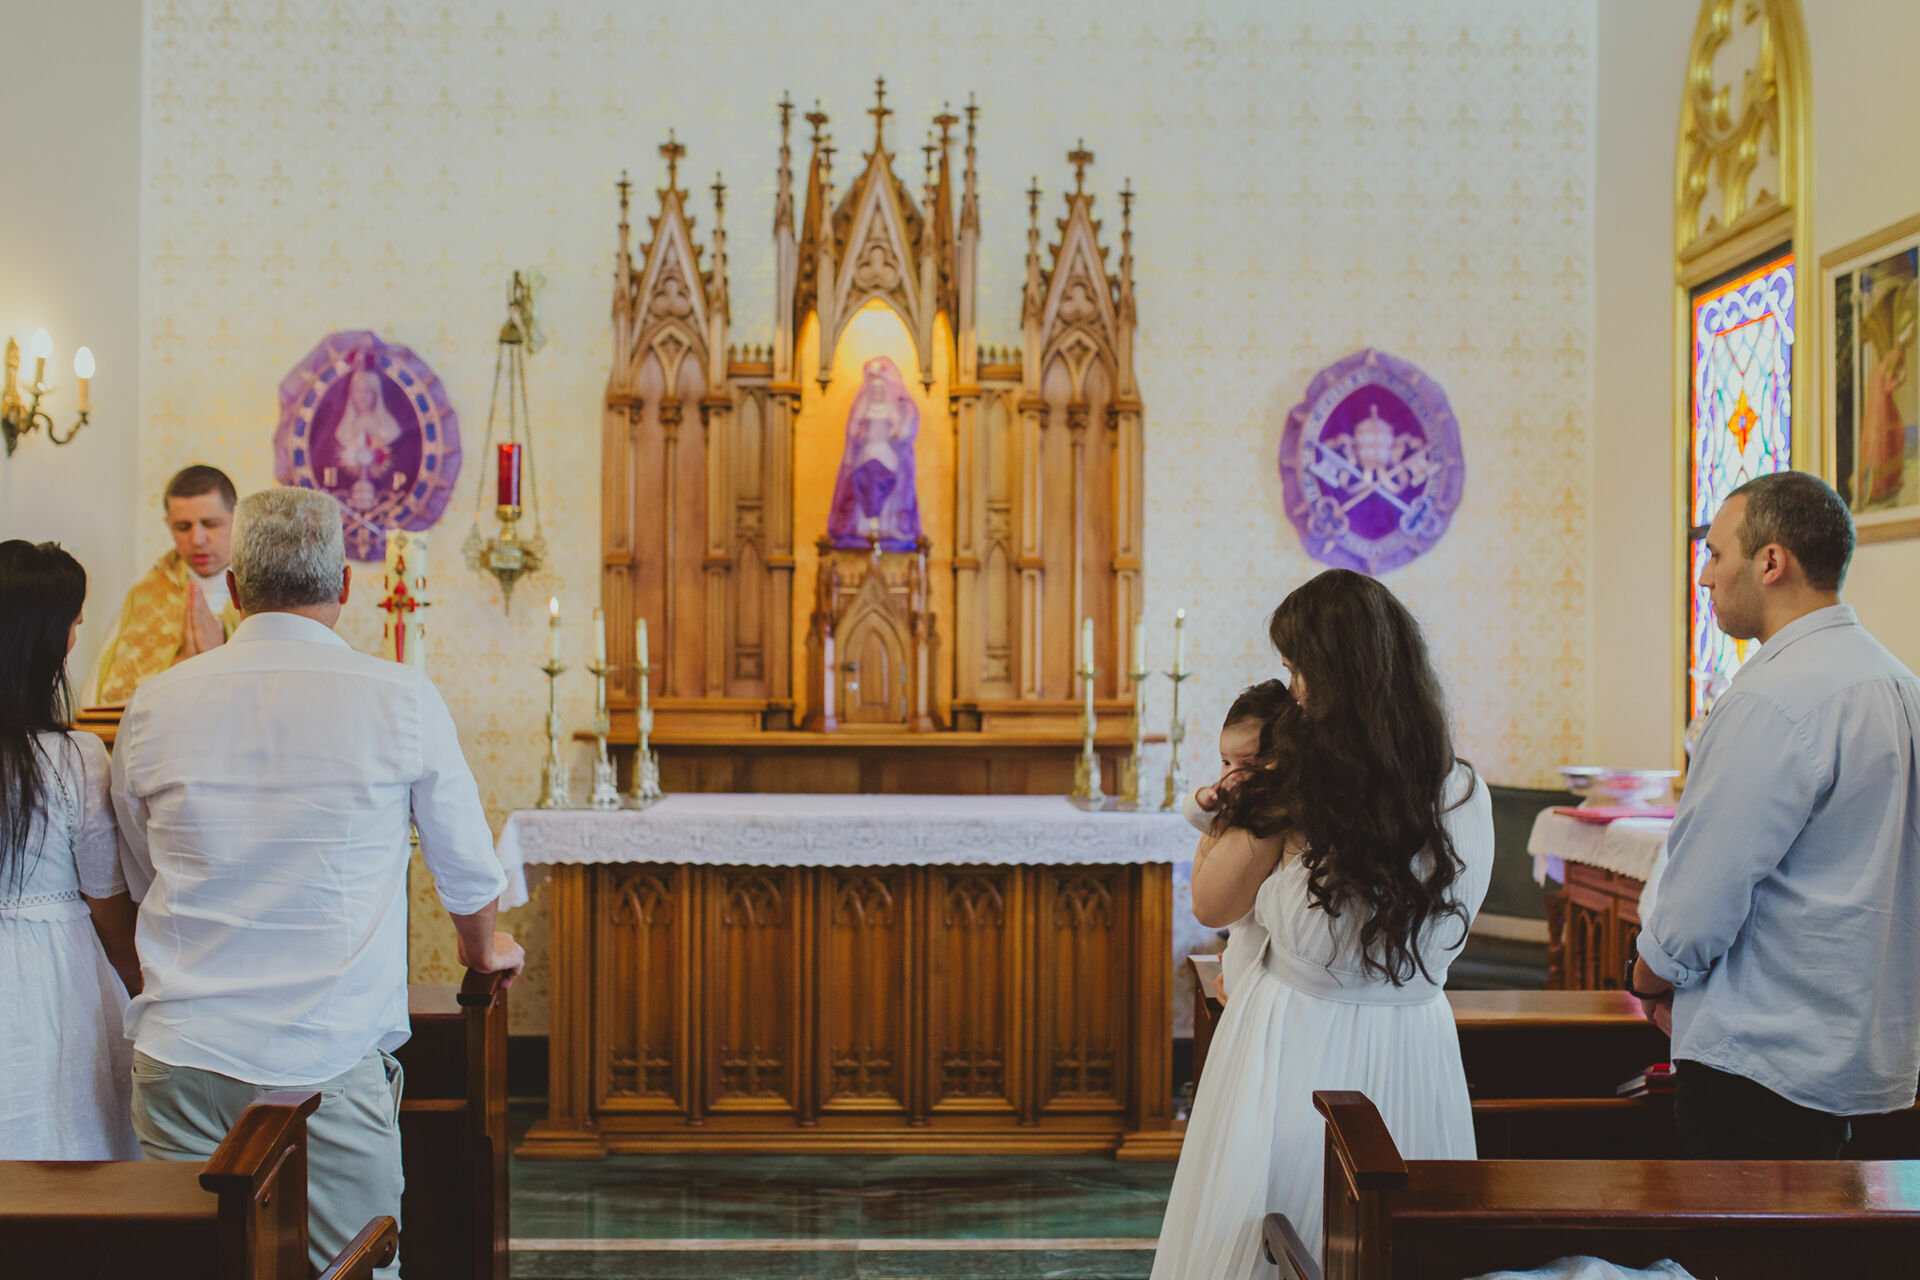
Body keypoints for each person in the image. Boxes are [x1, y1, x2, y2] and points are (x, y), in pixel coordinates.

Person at [110, 488, 524, 1279]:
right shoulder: (400, 698)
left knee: (191, 1268)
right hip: (324, 1059)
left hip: (183, 1058)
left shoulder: (156, 703)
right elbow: (468, 872)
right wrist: (482, 951)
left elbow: (141, 866)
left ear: (233, 590)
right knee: (353, 1270)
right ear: (343, 584)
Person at [1151, 569, 1493, 1276]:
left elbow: (1211, 904)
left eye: (1297, 670)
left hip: (1298, 1046)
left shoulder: (1296, 789)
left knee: (1274, 1234)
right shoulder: (1463, 789)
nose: (1295, 691)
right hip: (1416, 1040)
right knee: (1402, 1250)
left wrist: (1239, 802)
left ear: (1333, 676)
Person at [1631, 470, 1920, 1158]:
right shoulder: (1900, 686)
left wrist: (1645, 977)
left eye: (1716, 554)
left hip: (1763, 1067)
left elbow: (1701, 897)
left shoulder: (1772, 699)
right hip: (1872, 1060)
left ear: (1770, 562)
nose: (1705, 578)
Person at [0, 541, 142, 1159]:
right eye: (76, 622)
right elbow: (109, 911)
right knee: (62, 1150)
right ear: (47, 638)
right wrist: (147, 993)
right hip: (52, 977)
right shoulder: (73, 758)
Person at [1183, 679, 1294, 1003]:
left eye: (1247, 764)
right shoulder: (1231, 801)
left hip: (1267, 956)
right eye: (1226, 762)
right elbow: (1197, 814)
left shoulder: (1274, 805)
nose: (1232, 775)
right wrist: (1203, 799)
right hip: (1243, 935)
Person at [93, 465, 242, 703]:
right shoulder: (146, 596)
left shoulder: (267, 589)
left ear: (238, 518)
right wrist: (180, 663)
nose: (197, 540)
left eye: (211, 524)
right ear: (168, 524)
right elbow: (107, 699)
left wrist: (221, 650)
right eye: (183, 527)